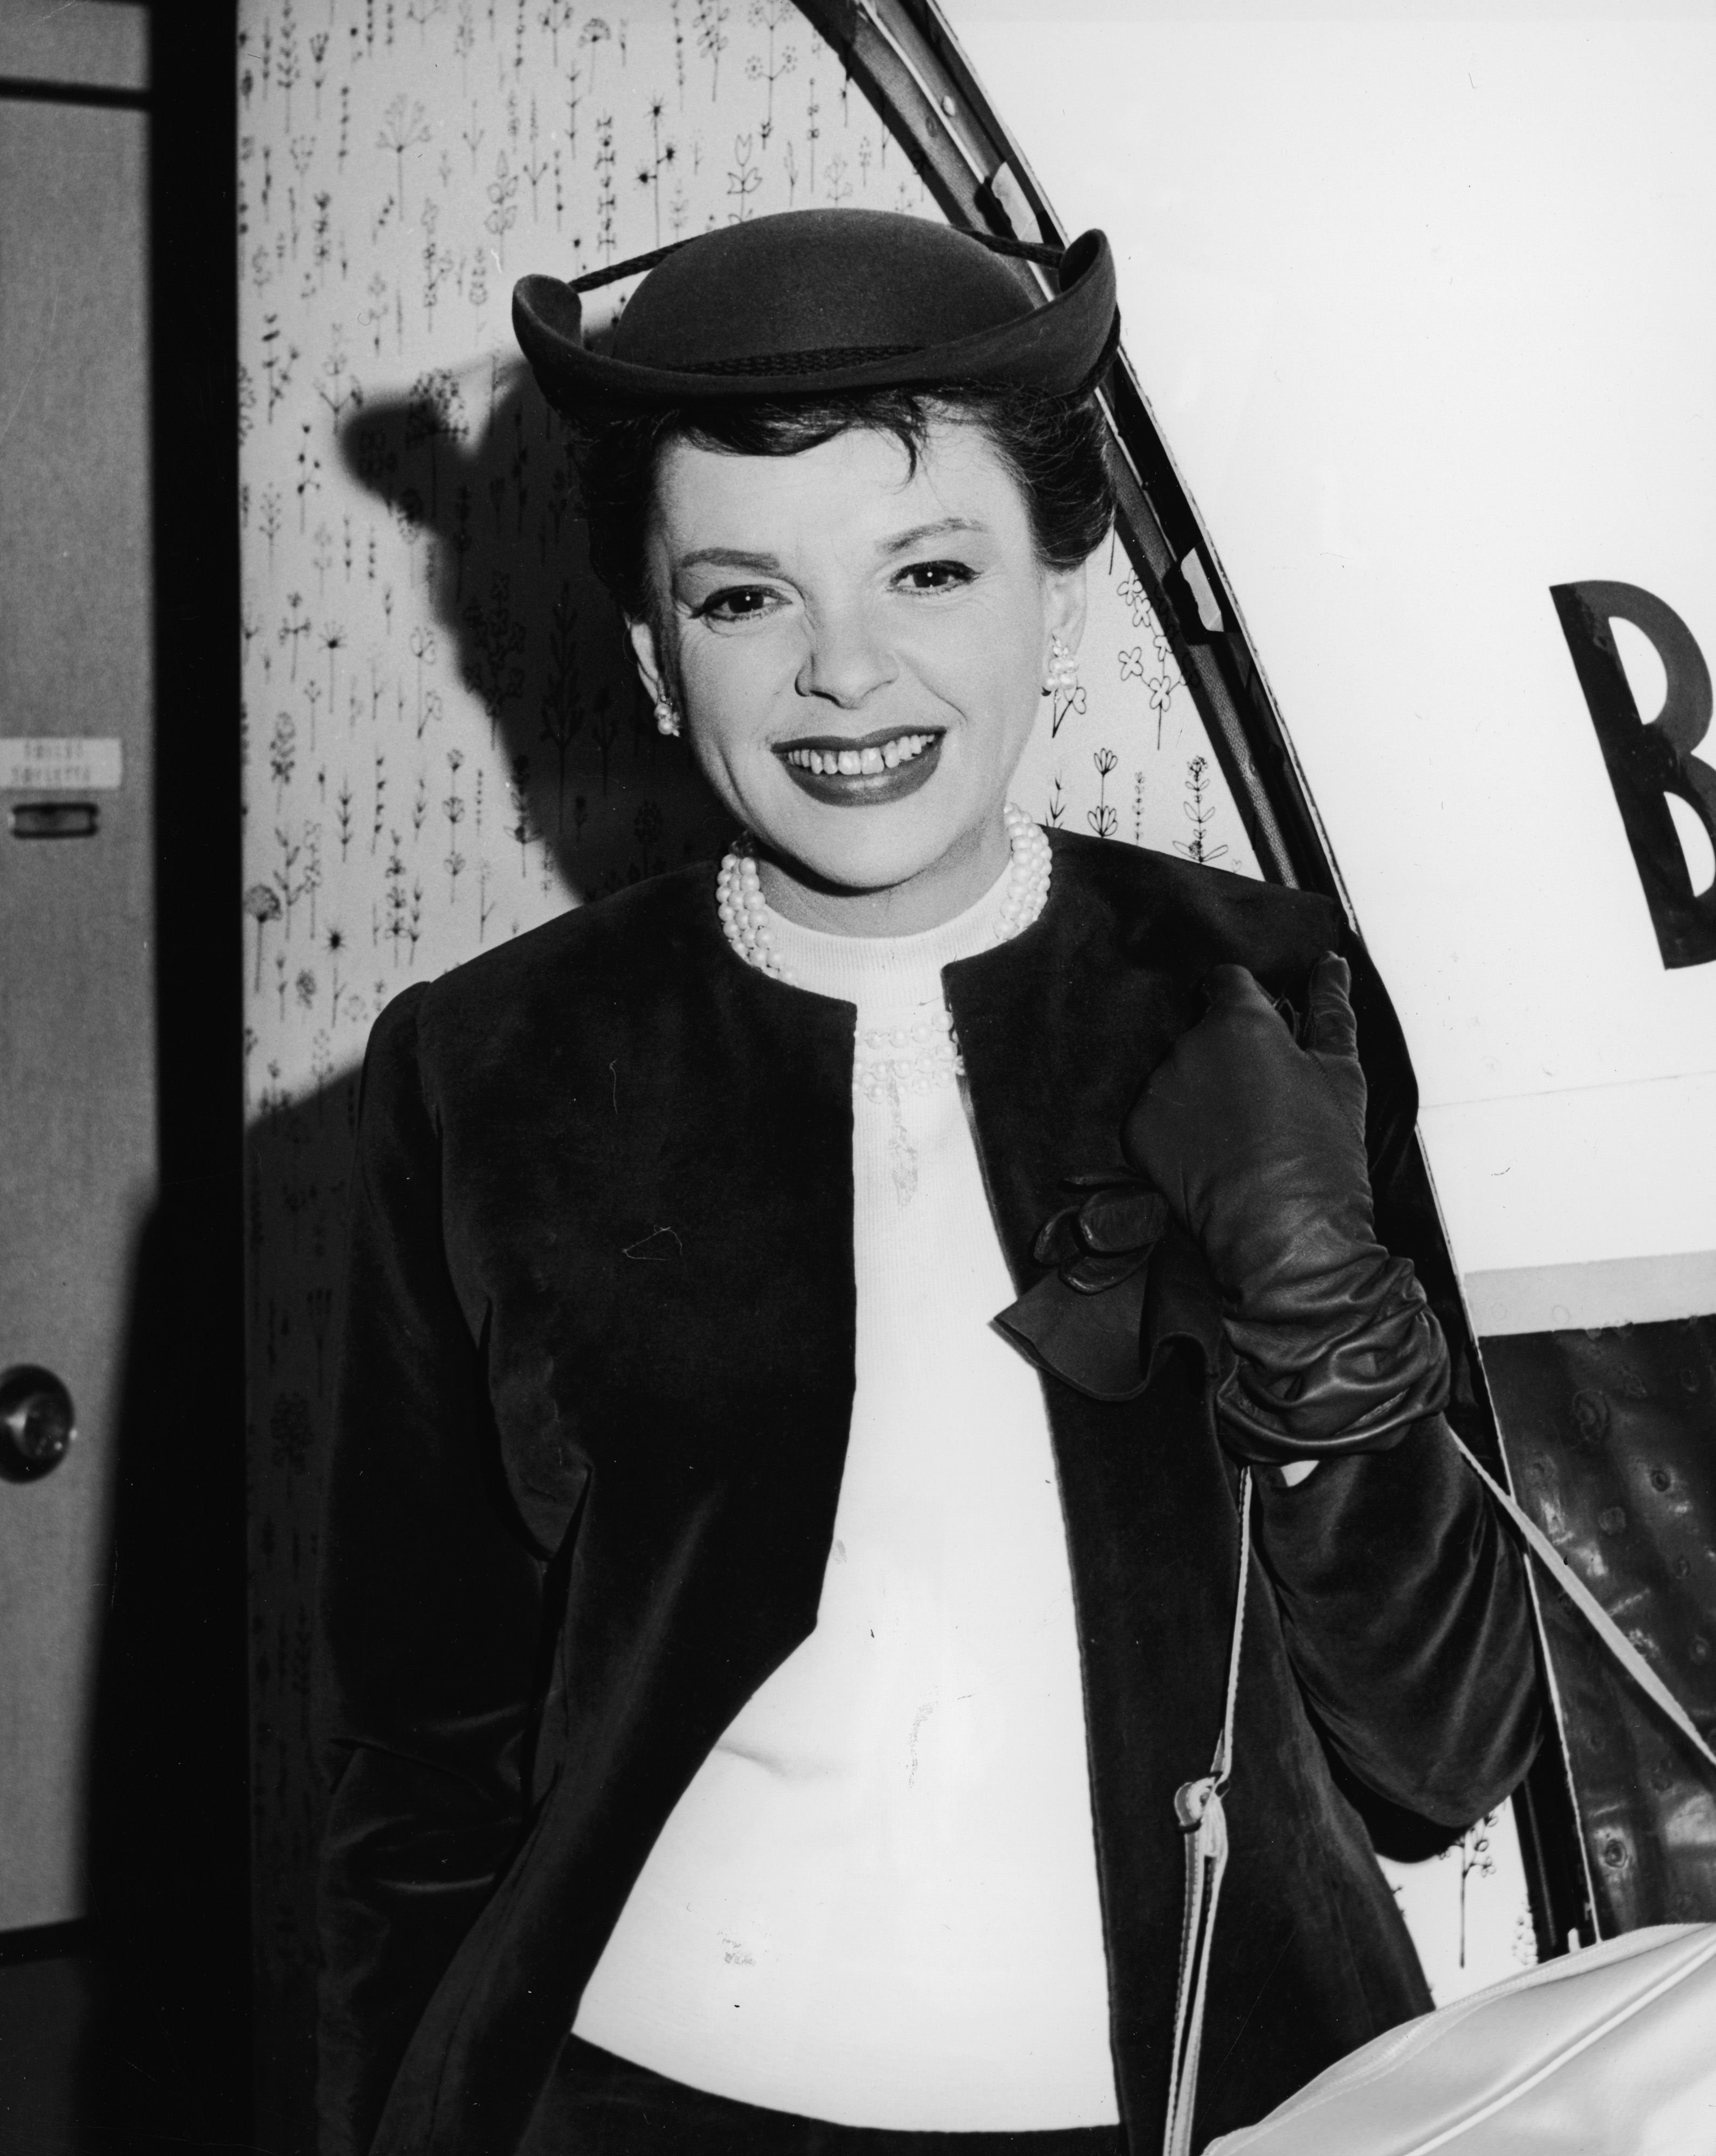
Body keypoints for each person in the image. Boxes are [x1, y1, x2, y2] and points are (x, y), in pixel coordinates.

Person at [314, 209, 1541, 2156]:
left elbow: (1447, 1751)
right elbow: (410, 1755)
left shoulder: (1262, 988)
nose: (845, 671)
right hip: (634, 2101)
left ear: (1057, 593)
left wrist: (1326, 1354)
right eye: (744, 600)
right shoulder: (482, 1072)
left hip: (1219, 2103)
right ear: (653, 651)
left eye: (930, 567)